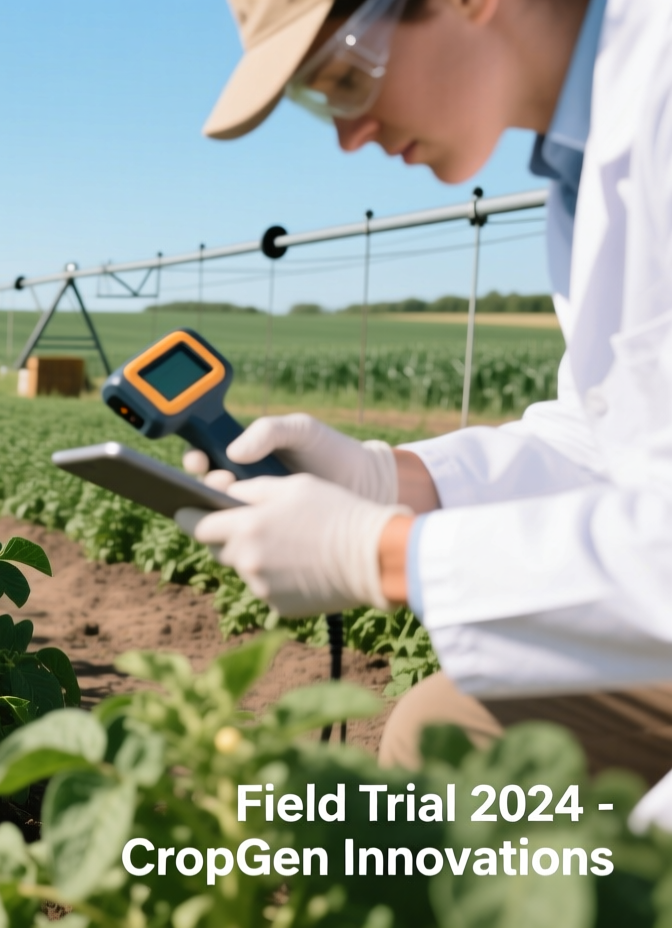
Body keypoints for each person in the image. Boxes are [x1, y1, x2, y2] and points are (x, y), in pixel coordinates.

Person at [185, 0, 672, 826]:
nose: (350, 133)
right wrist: (393, 480)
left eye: (345, 76)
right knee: (446, 735)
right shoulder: (583, 169)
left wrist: (383, 554)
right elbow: (610, 438)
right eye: (320, 98)